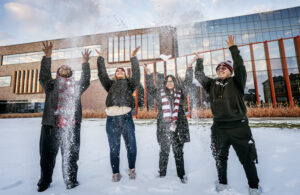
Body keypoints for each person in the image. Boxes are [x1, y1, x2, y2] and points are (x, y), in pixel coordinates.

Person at [194, 35, 261, 195]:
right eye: (218, 68)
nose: (220, 70)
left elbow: (239, 66)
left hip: (239, 127)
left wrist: (233, 49)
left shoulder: (237, 82)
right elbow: (199, 75)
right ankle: (222, 183)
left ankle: (254, 187)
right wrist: (200, 61)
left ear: (230, 72)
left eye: (224, 68)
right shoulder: (212, 84)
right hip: (219, 128)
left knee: (247, 159)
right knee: (220, 158)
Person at [37, 41, 91, 192]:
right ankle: (44, 181)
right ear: (58, 72)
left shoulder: (76, 86)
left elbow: (86, 80)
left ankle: (71, 181)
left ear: (71, 73)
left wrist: (85, 63)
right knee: (47, 157)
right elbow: (43, 76)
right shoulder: (51, 85)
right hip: (50, 126)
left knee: (71, 156)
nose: (65, 68)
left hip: (71, 127)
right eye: (62, 67)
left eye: (68, 68)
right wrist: (47, 57)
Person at [144, 58, 194, 183]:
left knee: (178, 152)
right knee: (164, 151)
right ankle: (162, 173)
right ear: (165, 83)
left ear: (175, 82)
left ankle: (181, 175)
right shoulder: (160, 94)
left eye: (172, 81)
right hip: (164, 126)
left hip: (178, 126)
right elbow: (150, 88)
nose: (170, 83)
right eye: (168, 81)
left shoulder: (180, 93)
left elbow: (187, 82)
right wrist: (148, 74)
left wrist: (189, 68)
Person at [96, 46, 140, 182]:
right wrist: (101, 59)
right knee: (114, 149)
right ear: (115, 74)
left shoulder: (130, 84)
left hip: (126, 118)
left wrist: (133, 58)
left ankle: (132, 169)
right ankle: (116, 173)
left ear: (125, 74)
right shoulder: (110, 85)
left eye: (122, 70)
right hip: (112, 120)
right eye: (117, 70)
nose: (119, 71)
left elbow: (137, 75)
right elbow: (102, 75)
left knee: (131, 147)